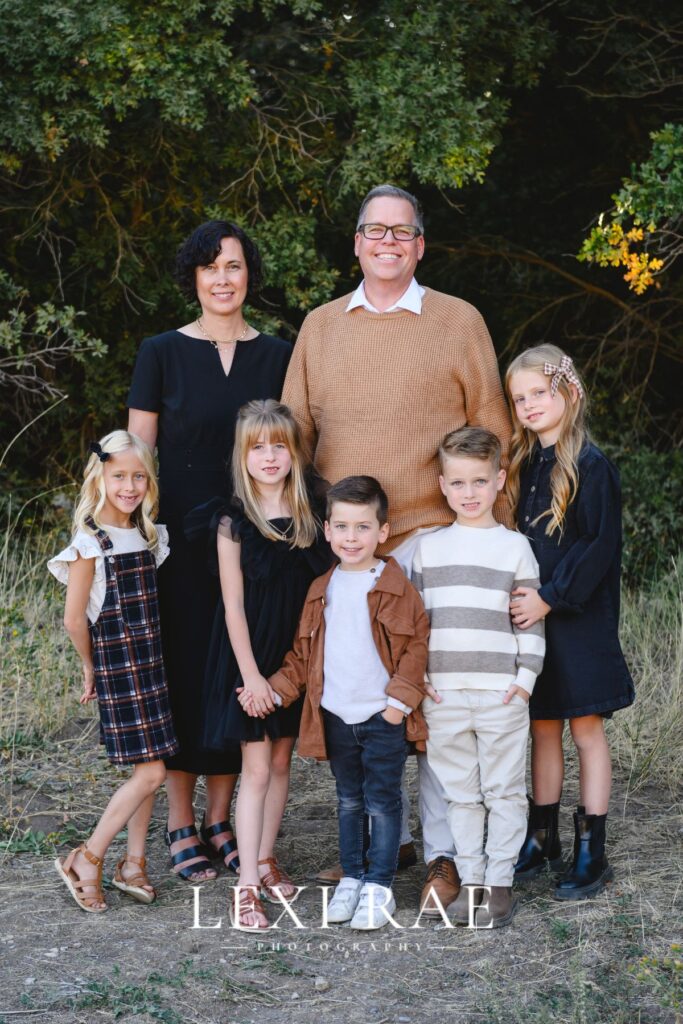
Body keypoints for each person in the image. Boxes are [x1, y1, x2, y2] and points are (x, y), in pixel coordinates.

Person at [282, 183, 512, 913]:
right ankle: (387, 838)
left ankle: (444, 855)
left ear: (419, 245)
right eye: (374, 231)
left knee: (432, 702)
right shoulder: (320, 326)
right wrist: (301, 532)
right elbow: (293, 434)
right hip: (350, 546)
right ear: (355, 242)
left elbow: (492, 423)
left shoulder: (456, 320)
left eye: (402, 232)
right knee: (357, 700)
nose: (387, 242)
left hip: (432, 541)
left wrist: (492, 533)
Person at [127, 220, 291, 883]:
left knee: (234, 677)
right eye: (210, 268)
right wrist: (121, 538)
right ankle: (179, 820)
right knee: (182, 674)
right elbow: (135, 455)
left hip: (251, 545)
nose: (223, 279)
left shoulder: (280, 354)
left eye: (234, 266)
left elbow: (288, 446)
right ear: (193, 278)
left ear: (249, 274)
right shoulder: (160, 352)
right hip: (175, 547)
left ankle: (223, 818)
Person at [241, 476, 429, 930]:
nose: (351, 537)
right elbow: (304, 656)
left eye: (362, 527)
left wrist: (397, 705)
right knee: (347, 800)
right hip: (337, 716)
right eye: (342, 527)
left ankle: (379, 886)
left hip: (382, 715)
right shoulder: (321, 588)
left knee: (382, 801)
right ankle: (354, 877)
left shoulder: (393, 585)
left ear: (382, 532)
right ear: (326, 531)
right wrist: (272, 690)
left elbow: (416, 646)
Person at [196, 399, 332, 930]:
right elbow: (231, 604)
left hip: (295, 657)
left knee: (281, 764)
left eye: (279, 445)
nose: (270, 456)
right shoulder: (232, 521)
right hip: (248, 656)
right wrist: (250, 676)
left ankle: (265, 858)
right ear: (243, 456)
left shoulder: (312, 513)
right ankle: (245, 887)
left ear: (294, 451)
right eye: (258, 448)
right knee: (254, 768)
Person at [505, 345, 635, 900]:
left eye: (540, 392)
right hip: (533, 625)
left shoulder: (590, 464)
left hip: (577, 620)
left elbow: (597, 546)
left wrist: (551, 598)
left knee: (585, 728)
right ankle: (542, 837)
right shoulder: (524, 464)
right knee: (542, 726)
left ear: (569, 392)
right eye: (519, 398)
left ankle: (592, 849)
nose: (530, 405)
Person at [413, 427, 545, 928]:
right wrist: (421, 677)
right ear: (443, 485)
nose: (469, 493)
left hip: (501, 693)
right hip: (444, 694)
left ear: (499, 481)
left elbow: (529, 623)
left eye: (479, 482)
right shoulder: (429, 550)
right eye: (459, 483)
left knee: (504, 790)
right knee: (461, 795)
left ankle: (500, 882)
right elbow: (419, 624)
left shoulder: (515, 548)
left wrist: (524, 683)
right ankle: (469, 881)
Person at [49, 431, 178, 912]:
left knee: (152, 766)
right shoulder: (91, 543)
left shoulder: (146, 534)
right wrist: (90, 667)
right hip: (120, 668)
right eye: (119, 475)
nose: (129, 485)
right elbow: (73, 617)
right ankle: (87, 856)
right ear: (99, 476)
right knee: (151, 772)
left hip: (152, 663)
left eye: (138, 476)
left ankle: (134, 861)